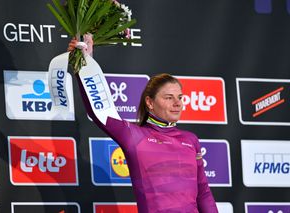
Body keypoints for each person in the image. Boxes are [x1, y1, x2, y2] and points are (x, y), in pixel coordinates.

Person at [68, 38, 218, 213]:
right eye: (169, 98)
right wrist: (85, 62)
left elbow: (204, 194)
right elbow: (99, 112)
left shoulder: (190, 140)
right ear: (150, 102)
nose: (177, 103)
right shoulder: (135, 136)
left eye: (180, 97)